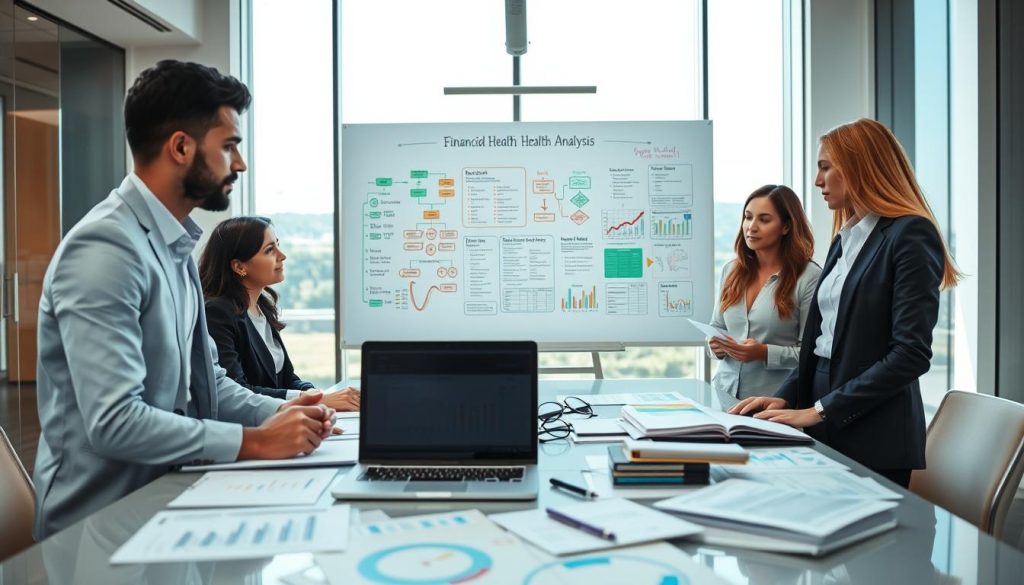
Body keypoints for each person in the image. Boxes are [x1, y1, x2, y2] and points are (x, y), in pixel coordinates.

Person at [32, 60, 337, 539]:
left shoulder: (171, 246)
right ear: (181, 147)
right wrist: (254, 443)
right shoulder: (106, 250)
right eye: (230, 146)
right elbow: (114, 423)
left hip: (169, 500)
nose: (240, 163)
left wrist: (278, 413)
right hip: (99, 527)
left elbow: (206, 379)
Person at [730, 118, 961, 488]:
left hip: (873, 429)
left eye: (825, 167)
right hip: (825, 406)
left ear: (859, 166)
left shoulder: (910, 234)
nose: (817, 181)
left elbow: (911, 355)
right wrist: (787, 398)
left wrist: (819, 411)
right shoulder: (845, 238)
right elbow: (822, 343)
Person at [199, 216, 359, 411]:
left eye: (278, 245)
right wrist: (315, 400)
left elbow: (286, 378)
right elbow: (237, 391)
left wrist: (316, 394)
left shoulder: (262, 306)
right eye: (269, 250)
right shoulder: (217, 312)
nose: (282, 255)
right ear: (240, 267)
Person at [708, 185, 820, 400]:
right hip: (723, 396)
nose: (751, 227)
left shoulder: (809, 277)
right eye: (748, 217)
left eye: (764, 220)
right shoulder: (731, 270)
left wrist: (764, 353)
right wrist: (715, 345)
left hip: (774, 402)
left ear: (786, 227)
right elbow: (717, 326)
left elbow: (813, 354)